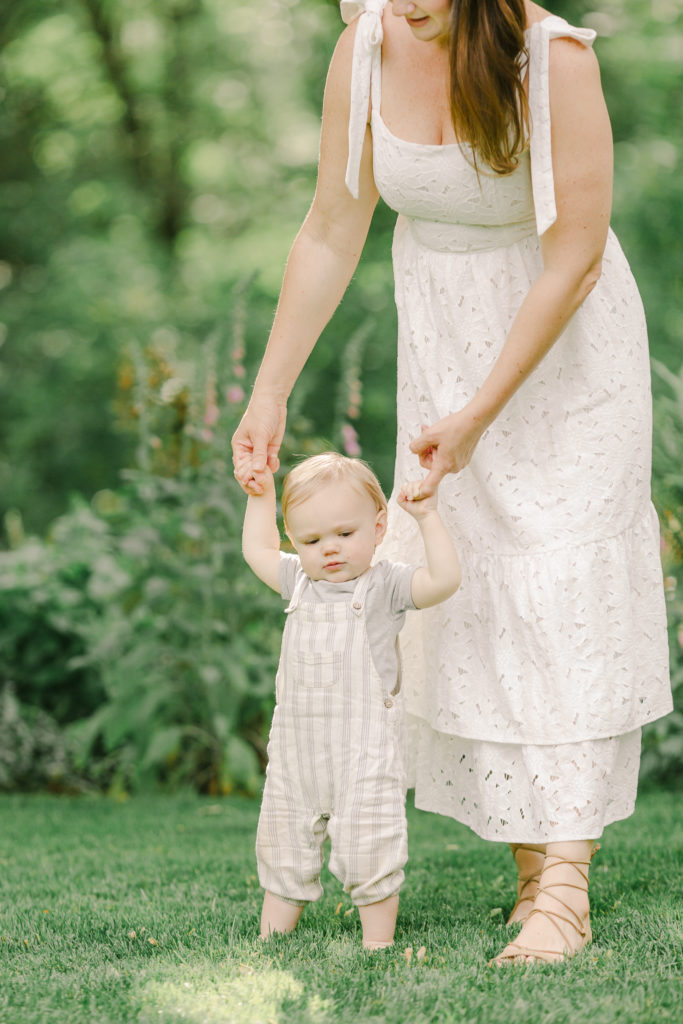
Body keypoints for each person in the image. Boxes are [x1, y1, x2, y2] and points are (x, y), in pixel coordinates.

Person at [233, 0, 672, 964]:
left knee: (557, 587)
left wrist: (482, 410)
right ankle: (532, 869)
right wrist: (267, 395)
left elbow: (577, 257)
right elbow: (328, 229)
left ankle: (565, 887)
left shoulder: (553, 61)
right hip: (440, 332)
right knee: (477, 591)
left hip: (563, 350)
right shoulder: (366, 47)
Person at [242, 452, 461, 948]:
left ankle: (377, 943)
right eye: (313, 540)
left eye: (345, 533)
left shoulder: (385, 586)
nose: (330, 550)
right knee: (283, 842)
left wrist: (427, 518)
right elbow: (256, 548)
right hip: (297, 752)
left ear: (378, 527)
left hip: (364, 752)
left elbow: (444, 580)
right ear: (294, 539)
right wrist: (260, 495)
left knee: (370, 841)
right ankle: (271, 941)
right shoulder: (298, 581)